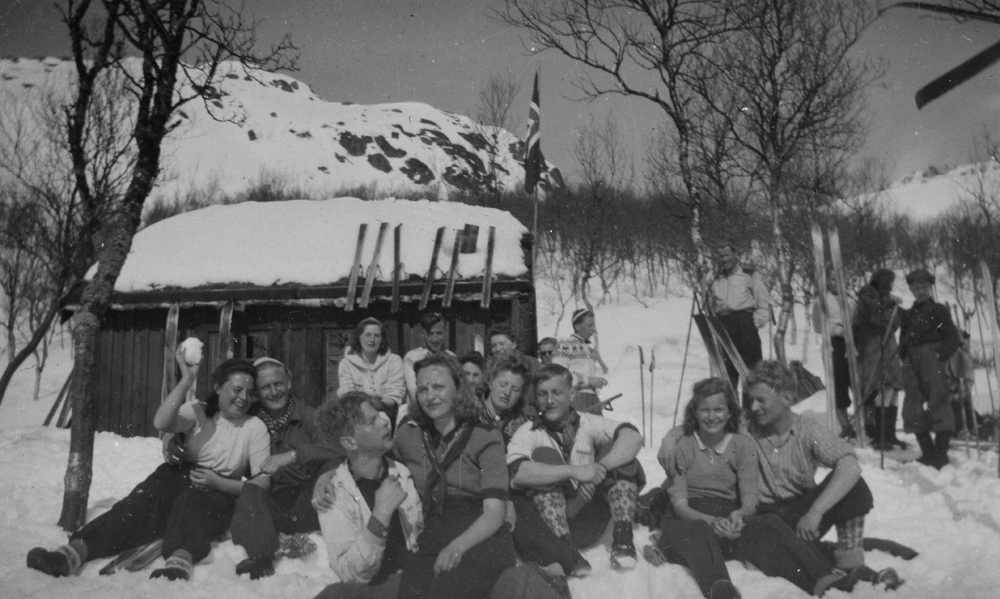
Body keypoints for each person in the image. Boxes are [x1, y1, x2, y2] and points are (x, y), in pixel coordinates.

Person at [27, 352, 270, 581]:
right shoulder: (198, 410)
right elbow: (161, 422)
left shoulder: (254, 427)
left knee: (193, 506)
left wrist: (218, 483)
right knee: (137, 505)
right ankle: (72, 553)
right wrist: (186, 380)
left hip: (219, 492)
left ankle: (179, 561)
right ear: (218, 388)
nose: (243, 398)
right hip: (179, 476)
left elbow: (262, 483)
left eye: (250, 393)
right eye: (237, 390)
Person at [649, 378, 849, 598]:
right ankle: (720, 588)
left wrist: (739, 516)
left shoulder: (742, 445)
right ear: (694, 412)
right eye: (705, 410)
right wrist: (712, 521)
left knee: (770, 523)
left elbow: (750, 498)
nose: (712, 416)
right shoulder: (683, 446)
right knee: (698, 529)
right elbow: (680, 506)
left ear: (729, 412)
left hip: (726, 521)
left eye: (719, 409)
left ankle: (822, 579)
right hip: (687, 522)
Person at [745, 360, 899, 588]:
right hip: (764, 520)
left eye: (761, 400)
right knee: (776, 537)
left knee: (855, 486)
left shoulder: (808, 430)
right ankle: (841, 573)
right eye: (751, 401)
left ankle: (850, 562)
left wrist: (816, 512)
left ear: (786, 398)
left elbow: (850, 466)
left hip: (799, 515)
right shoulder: (745, 429)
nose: (754, 407)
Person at [391, 354, 517, 599]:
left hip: (481, 533)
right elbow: (375, 458)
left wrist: (457, 547)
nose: (430, 396)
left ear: (458, 389)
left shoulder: (486, 435)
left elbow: (494, 512)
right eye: (423, 388)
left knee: (448, 589)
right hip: (434, 529)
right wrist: (328, 477)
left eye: (438, 386)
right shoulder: (409, 434)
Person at [506, 363, 643, 571]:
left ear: (571, 394)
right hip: (554, 525)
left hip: (590, 517)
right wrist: (575, 471)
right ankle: (567, 552)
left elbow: (633, 437)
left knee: (622, 457)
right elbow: (518, 473)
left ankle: (623, 540)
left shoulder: (588, 422)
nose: (549, 401)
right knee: (542, 461)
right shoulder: (528, 431)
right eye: (543, 394)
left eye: (557, 393)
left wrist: (600, 468)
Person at [230, 357, 344, 579]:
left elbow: (336, 451)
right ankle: (261, 557)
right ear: (256, 391)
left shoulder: (310, 416)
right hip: (269, 504)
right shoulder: (249, 420)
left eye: (278, 384)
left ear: (289, 382)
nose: (274, 392)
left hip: (307, 501)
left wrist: (293, 455)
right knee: (251, 491)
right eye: (265, 387)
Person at [311, 391, 423, 599]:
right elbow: (350, 574)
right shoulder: (334, 494)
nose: (385, 422)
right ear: (350, 443)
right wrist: (380, 516)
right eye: (372, 421)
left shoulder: (401, 472)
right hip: (374, 589)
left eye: (380, 415)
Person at [899, 268, 960, 468]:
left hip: (932, 360)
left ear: (930, 287)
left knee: (939, 401)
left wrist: (938, 355)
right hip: (912, 362)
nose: (920, 291)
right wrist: (904, 355)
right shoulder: (908, 314)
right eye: (916, 288)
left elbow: (953, 338)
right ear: (911, 289)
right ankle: (928, 453)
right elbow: (903, 340)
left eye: (924, 287)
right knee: (912, 405)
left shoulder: (940, 310)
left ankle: (940, 454)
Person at [708, 244, 770, 400]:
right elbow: (709, 301)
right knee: (727, 374)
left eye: (727, 255)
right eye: (721, 256)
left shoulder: (749, 274)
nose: (724, 259)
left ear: (736, 255)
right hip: (723, 325)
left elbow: (763, 302)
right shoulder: (716, 277)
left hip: (745, 323)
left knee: (751, 373)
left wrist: (754, 322)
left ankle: (751, 415)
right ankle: (732, 415)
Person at [854, 268, 905, 449]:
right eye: (887, 281)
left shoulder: (886, 298)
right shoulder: (867, 297)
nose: (889, 285)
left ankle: (890, 434)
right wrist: (890, 307)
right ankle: (878, 435)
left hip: (888, 345)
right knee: (879, 389)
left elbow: (895, 322)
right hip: (873, 346)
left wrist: (893, 310)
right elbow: (877, 319)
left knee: (893, 390)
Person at [339, 317, 406, 425]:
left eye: (377, 336)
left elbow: (395, 394)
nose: (372, 340)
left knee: (382, 419)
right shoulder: (346, 363)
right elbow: (347, 394)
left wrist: (378, 404)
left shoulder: (394, 360)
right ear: (359, 337)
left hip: (386, 411)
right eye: (368, 335)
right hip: (357, 412)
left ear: (382, 339)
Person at [811, 275, 856, 438]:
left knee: (856, 382)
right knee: (838, 384)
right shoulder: (820, 301)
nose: (835, 282)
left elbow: (856, 322)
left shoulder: (851, 300)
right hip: (833, 345)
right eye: (832, 279)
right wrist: (836, 329)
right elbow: (817, 326)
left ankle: (861, 422)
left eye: (838, 279)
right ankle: (844, 425)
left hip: (851, 344)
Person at [552, 308, 609, 415]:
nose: (593, 329)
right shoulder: (564, 345)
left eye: (594, 325)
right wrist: (589, 381)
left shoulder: (588, 349)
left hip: (592, 399)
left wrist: (598, 382)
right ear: (577, 326)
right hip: (575, 399)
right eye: (590, 325)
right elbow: (558, 376)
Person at [403, 311, 455, 402]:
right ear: (424, 334)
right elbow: (414, 392)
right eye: (431, 334)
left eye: (439, 333)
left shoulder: (452, 358)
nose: (435, 339)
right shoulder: (412, 358)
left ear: (445, 333)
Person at [479, 357, 531, 445]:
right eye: (503, 385)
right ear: (490, 383)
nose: (507, 392)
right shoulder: (471, 416)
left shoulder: (522, 425)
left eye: (515, 389)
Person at [949, 331, 977, 439]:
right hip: (957, 387)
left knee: (961, 404)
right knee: (960, 404)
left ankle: (965, 429)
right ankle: (964, 428)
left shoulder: (960, 354)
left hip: (960, 388)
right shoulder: (960, 353)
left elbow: (965, 373)